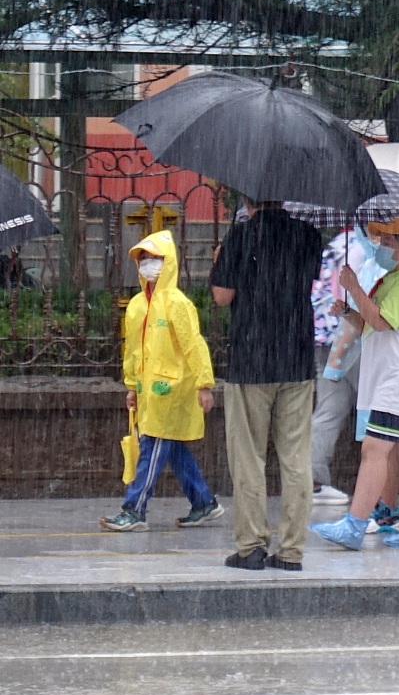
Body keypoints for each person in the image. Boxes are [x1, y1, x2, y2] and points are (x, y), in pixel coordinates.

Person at [307, 218, 399, 550]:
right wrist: (348, 312)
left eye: (387, 243)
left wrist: (353, 287)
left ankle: (354, 525)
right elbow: (371, 322)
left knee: (373, 450)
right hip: (397, 380)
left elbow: (382, 323)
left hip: (397, 382)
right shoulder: (392, 280)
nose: (379, 246)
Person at [208, 199, 325, 568]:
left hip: (251, 359)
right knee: (295, 457)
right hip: (297, 358)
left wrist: (219, 263)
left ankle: (252, 547)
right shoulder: (308, 235)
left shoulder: (240, 236)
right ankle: (291, 551)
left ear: (247, 201)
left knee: (248, 457)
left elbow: (222, 297)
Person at [98, 230, 221, 532]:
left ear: (168, 263)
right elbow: (133, 348)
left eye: (154, 259)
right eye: (143, 259)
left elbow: (193, 344)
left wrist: (204, 383)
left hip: (174, 391)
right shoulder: (139, 305)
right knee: (174, 450)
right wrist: (132, 386)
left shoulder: (177, 303)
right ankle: (204, 502)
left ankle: (134, 508)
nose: (148, 265)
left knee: (151, 449)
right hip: (150, 393)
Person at [306, 228, 356, 504]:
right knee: (385, 409)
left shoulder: (333, 247)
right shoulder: (359, 249)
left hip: (324, 336)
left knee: (330, 408)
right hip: (351, 336)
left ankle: (313, 481)